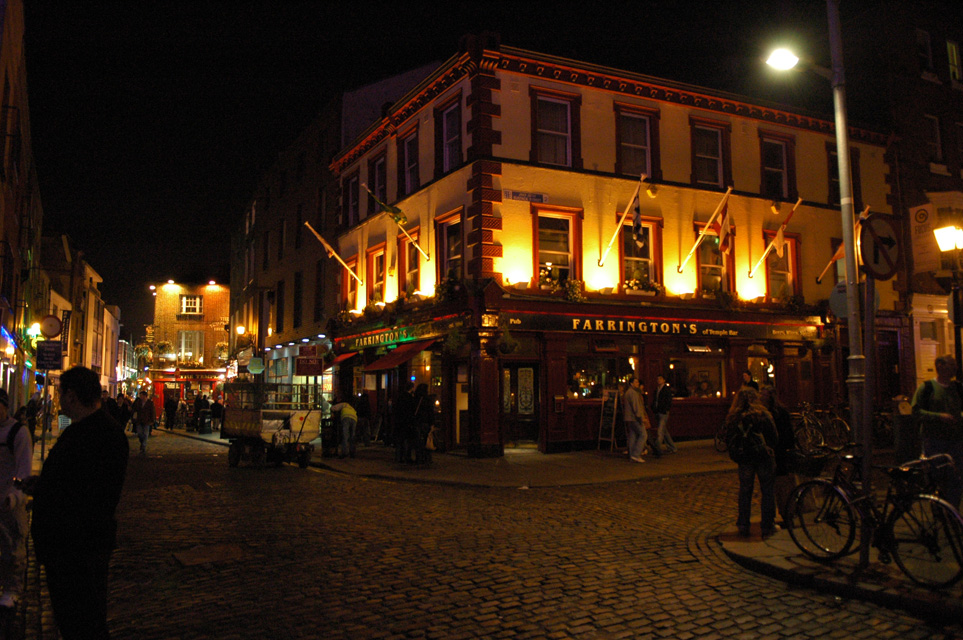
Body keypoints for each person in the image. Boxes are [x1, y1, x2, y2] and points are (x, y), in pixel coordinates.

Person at [27, 366, 129, 639]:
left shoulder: (96, 434)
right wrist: (42, 489)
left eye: (61, 394)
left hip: (76, 550)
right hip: (73, 547)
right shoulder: (87, 430)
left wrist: (49, 497)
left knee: (82, 623)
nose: (60, 400)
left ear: (72, 395)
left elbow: (91, 495)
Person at [911, 354, 963, 508]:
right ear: (940, 366)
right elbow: (916, 412)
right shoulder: (927, 388)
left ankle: (951, 509)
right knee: (937, 476)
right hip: (934, 441)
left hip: (956, 440)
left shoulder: (958, 388)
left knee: (956, 477)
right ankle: (938, 508)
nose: (955, 368)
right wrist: (939, 417)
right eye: (951, 365)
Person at [725, 387, 778, 538]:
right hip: (763, 456)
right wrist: (769, 448)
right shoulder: (763, 415)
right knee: (767, 490)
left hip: (745, 458)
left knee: (745, 490)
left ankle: (743, 524)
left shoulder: (734, 417)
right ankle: (767, 525)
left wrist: (736, 456)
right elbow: (774, 436)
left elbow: (729, 439)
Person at [0, 389, 32, 609]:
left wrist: (14, 496)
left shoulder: (18, 433)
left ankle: (12, 589)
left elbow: (23, 470)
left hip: (8, 503)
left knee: (13, 548)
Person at [759, 384, 796, 523]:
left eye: (764, 395)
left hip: (778, 453)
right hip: (774, 452)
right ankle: (782, 513)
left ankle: (786, 513)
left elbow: (787, 434)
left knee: (781, 486)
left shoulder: (775, 412)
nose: (761, 397)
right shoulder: (766, 412)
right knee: (774, 486)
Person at [623, 377, 657, 462]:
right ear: (631, 383)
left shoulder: (628, 392)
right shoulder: (634, 393)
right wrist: (641, 418)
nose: (638, 384)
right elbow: (636, 407)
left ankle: (632, 454)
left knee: (633, 436)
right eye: (636, 382)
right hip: (635, 418)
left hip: (629, 418)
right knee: (643, 435)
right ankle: (636, 454)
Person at [651, 374, 677, 454]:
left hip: (663, 412)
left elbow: (668, 401)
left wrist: (665, 409)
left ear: (664, 380)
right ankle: (672, 447)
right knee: (664, 431)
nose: (658, 380)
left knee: (660, 431)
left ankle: (657, 447)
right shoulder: (657, 389)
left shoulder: (666, 390)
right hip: (658, 411)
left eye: (660, 379)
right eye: (657, 379)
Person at [393, 381, 416, 463]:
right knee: (407, 441)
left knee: (400, 441)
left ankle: (398, 457)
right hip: (407, 422)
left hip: (399, 422)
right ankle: (407, 457)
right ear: (411, 388)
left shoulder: (400, 397)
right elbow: (411, 410)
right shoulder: (410, 398)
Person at [412, 384, 434, 465]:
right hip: (425, 422)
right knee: (426, 439)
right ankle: (426, 458)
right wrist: (432, 423)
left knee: (418, 441)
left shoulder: (415, 399)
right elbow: (430, 412)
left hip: (417, 422)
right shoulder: (427, 399)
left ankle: (419, 458)